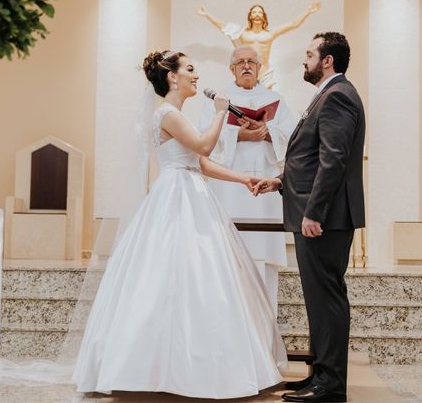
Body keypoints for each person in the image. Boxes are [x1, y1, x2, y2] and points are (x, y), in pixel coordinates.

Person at [71, 50, 286, 398]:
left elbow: (200, 162)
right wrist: (220, 113)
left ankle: (192, 365)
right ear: (172, 77)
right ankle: (156, 369)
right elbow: (204, 144)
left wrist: (241, 177)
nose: (196, 76)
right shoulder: (167, 113)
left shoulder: (175, 114)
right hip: (176, 196)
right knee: (175, 274)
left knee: (200, 274)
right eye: (190, 70)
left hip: (190, 186)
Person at [255, 32, 366, 403]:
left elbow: (332, 160)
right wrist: (279, 181)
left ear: (328, 60)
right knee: (318, 299)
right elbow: (311, 156)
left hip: (325, 219)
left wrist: (314, 212)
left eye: (309, 54)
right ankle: (319, 375)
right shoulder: (329, 94)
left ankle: (330, 386)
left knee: (327, 299)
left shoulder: (337, 96)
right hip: (318, 214)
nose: (304, 61)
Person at [198, 45, 298, 315]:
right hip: (229, 187)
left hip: (265, 189)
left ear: (259, 67)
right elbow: (201, 140)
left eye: (251, 62)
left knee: (262, 256)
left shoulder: (275, 99)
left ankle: (264, 327)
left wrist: (268, 132)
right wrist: (238, 136)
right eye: (240, 62)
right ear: (231, 68)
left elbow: (295, 138)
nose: (246, 66)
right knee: (227, 257)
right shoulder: (219, 100)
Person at [198, 1, 321, 89]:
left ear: (263, 16)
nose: (257, 14)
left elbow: (293, 24)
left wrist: (308, 11)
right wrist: (207, 14)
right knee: (247, 105)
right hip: (248, 72)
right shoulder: (242, 33)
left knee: (267, 107)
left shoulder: (270, 33)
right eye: (254, 12)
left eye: (260, 12)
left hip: (265, 73)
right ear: (250, 16)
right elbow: (223, 26)